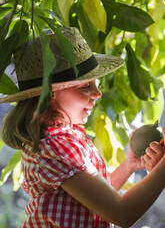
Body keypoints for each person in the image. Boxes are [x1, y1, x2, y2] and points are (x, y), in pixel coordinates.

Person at [0, 27, 165, 228]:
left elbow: (96, 199)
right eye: (85, 86)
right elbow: (121, 213)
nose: (97, 94)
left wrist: (128, 165)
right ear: (49, 95)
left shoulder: (66, 134)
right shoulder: (55, 146)